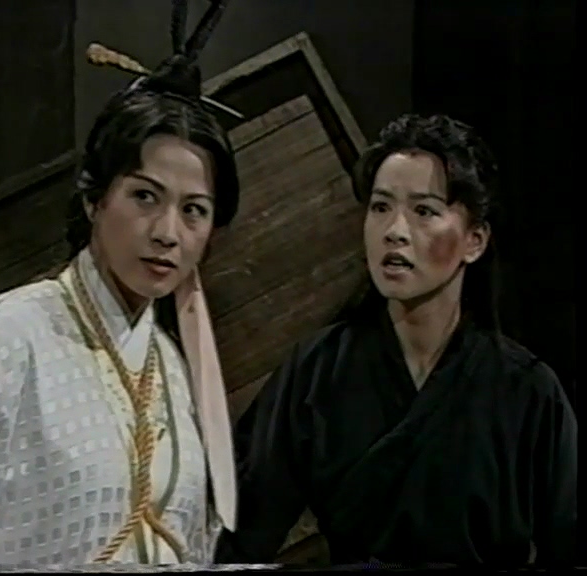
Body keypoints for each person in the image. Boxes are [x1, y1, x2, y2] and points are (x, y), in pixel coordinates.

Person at [0, 0, 241, 566]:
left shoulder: (173, 367)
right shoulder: (1, 342)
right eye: (144, 196)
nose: (167, 233)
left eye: (193, 210)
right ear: (94, 199)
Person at [214, 114, 577, 567]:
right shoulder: (318, 371)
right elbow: (240, 534)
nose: (394, 231)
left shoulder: (527, 391)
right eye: (381, 207)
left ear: (475, 240)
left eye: (424, 211)